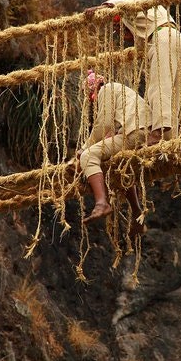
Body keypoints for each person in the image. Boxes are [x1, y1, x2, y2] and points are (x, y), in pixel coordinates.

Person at [85, 0, 181, 145]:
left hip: (163, 39)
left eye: (118, 25)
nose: (121, 32)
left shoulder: (132, 1)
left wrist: (99, 10)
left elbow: (118, 4)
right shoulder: (146, 16)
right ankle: (169, 138)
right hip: (178, 41)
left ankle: (158, 132)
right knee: (172, 92)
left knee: (158, 88)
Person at [77, 70, 150, 237]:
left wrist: (84, 148)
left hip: (135, 133)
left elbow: (104, 124)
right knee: (118, 165)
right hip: (141, 132)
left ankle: (101, 203)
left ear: (92, 89)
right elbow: (112, 129)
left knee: (89, 156)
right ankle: (137, 213)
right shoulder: (120, 91)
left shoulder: (106, 90)